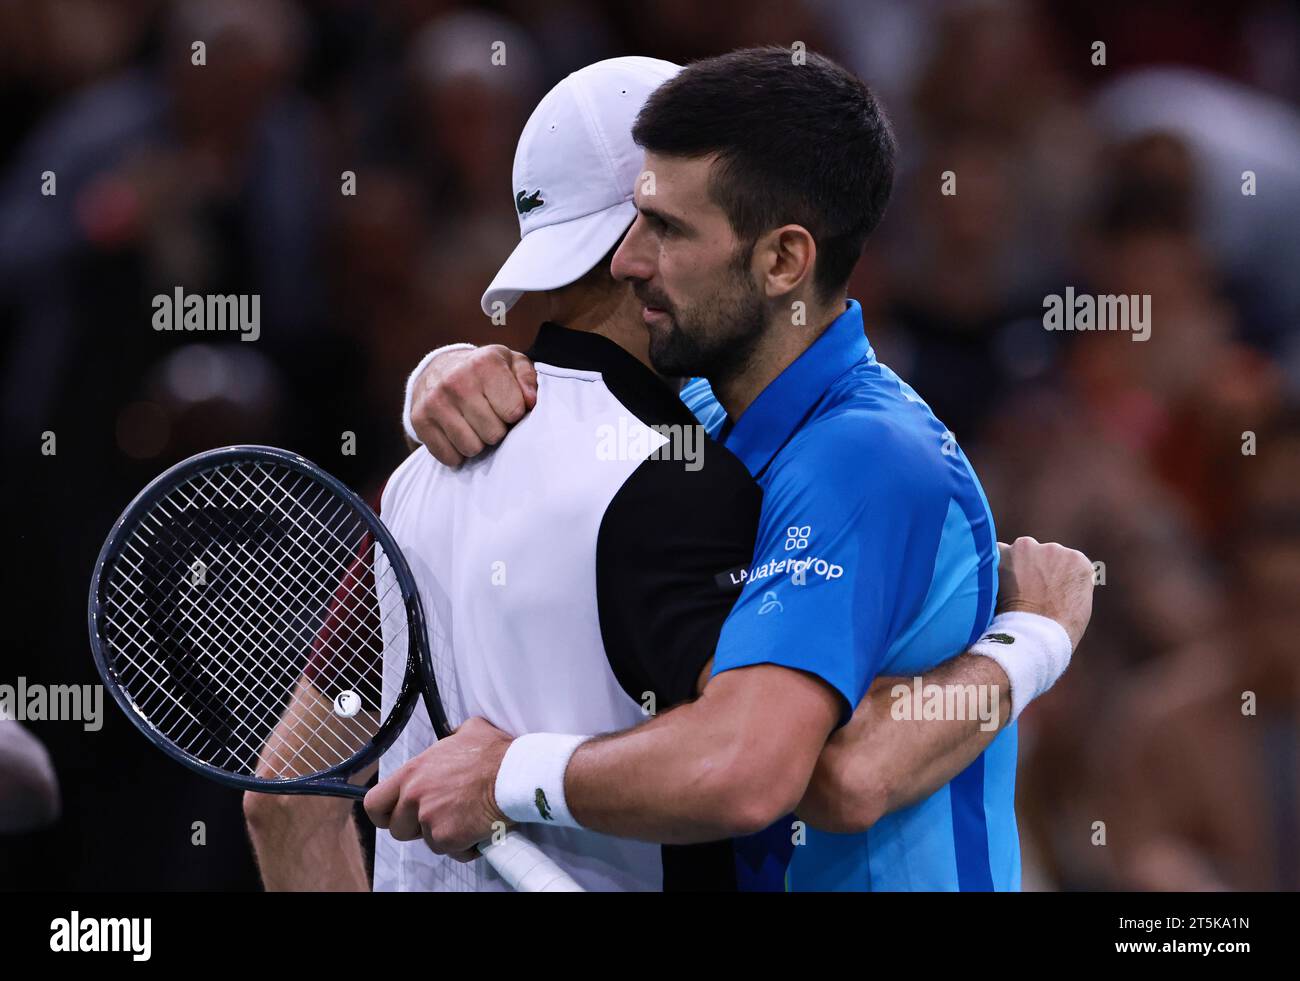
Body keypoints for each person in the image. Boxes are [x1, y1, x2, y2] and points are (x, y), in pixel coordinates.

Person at [365, 48, 1093, 891]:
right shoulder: (697, 426)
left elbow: (819, 770)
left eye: (665, 229)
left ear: (783, 262)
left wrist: (1030, 641)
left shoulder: (871, 457)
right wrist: (443, 370)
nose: (629, 260)